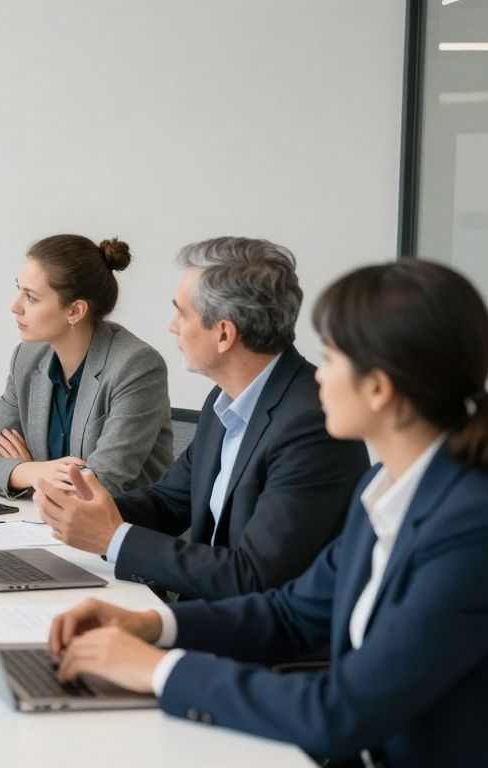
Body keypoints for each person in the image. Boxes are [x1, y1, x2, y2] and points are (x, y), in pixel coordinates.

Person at [47, 260, 488, 767]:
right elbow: (290, 612)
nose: (318, 374)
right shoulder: (385, 488)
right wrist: (150, 624)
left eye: (333, 356)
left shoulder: (468, 529)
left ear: (379, 389)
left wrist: (159, 671)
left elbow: (339, 710)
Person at [35, 237, 370, 600]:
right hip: (207, 618)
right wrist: (87, 510)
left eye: (182, 313)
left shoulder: (311, 425)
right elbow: (168, 503)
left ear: (224, 334)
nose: (171, 326)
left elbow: (253, 576)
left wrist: (113, 537)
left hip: (260, 646)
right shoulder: (224, 399)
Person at [0, 234, 172, 499]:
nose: (15, 307)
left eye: (31, 297)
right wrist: (35, 471)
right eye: (18, 289)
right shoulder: (26, 358)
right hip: (44, 527)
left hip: (119, 532)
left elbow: (100, 485)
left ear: (75, 311)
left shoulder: (136, 366)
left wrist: (25, 473)